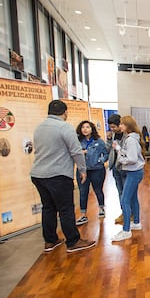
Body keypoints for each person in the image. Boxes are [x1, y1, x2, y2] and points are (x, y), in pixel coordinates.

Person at [30, 100, 96, 253]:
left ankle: (50, 241)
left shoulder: (39, 127)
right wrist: (82, 169)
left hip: (38, 175)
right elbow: (76, 151)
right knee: (66, 209)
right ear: (65, 112)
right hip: (58, 175)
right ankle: (73, 241)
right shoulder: (64, 127)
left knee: (48, 208)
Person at [111, 115, 145, 242]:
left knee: (125, 200)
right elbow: (130, 154)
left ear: (127, 126)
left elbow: (132, 159)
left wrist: (120, 159)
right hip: (134, 172)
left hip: (133, 172)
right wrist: (119, 149)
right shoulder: (130, 139)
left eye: (121, 124)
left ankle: (126, 230)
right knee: (133, 198)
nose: (119, 126)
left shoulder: (131, 140)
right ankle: (136, 222)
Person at [75, 120, 109, 225]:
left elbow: (106, 154)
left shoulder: (99, 141)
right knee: (83, 192)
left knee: (98, 190)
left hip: (97, 170)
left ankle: (101, 208)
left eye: (87, 127)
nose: (85, 129)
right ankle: (83, 215)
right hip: (82, 170)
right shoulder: (77, 141)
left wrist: (100, 161)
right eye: (83, 127)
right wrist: (80, 153)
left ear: (92, 129)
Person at [107, 114, 127, 224]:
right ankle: (124, 213)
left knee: (127, 192)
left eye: (114, 127)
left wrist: (118, 148)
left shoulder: (127, 136)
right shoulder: (113, 135)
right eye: (111, 127)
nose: (112, 129)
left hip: (124, 168)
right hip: (115, 167)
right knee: (120, 191)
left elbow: (126, 153)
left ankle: (131, 213)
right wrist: (109, 139)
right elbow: (109, 149)